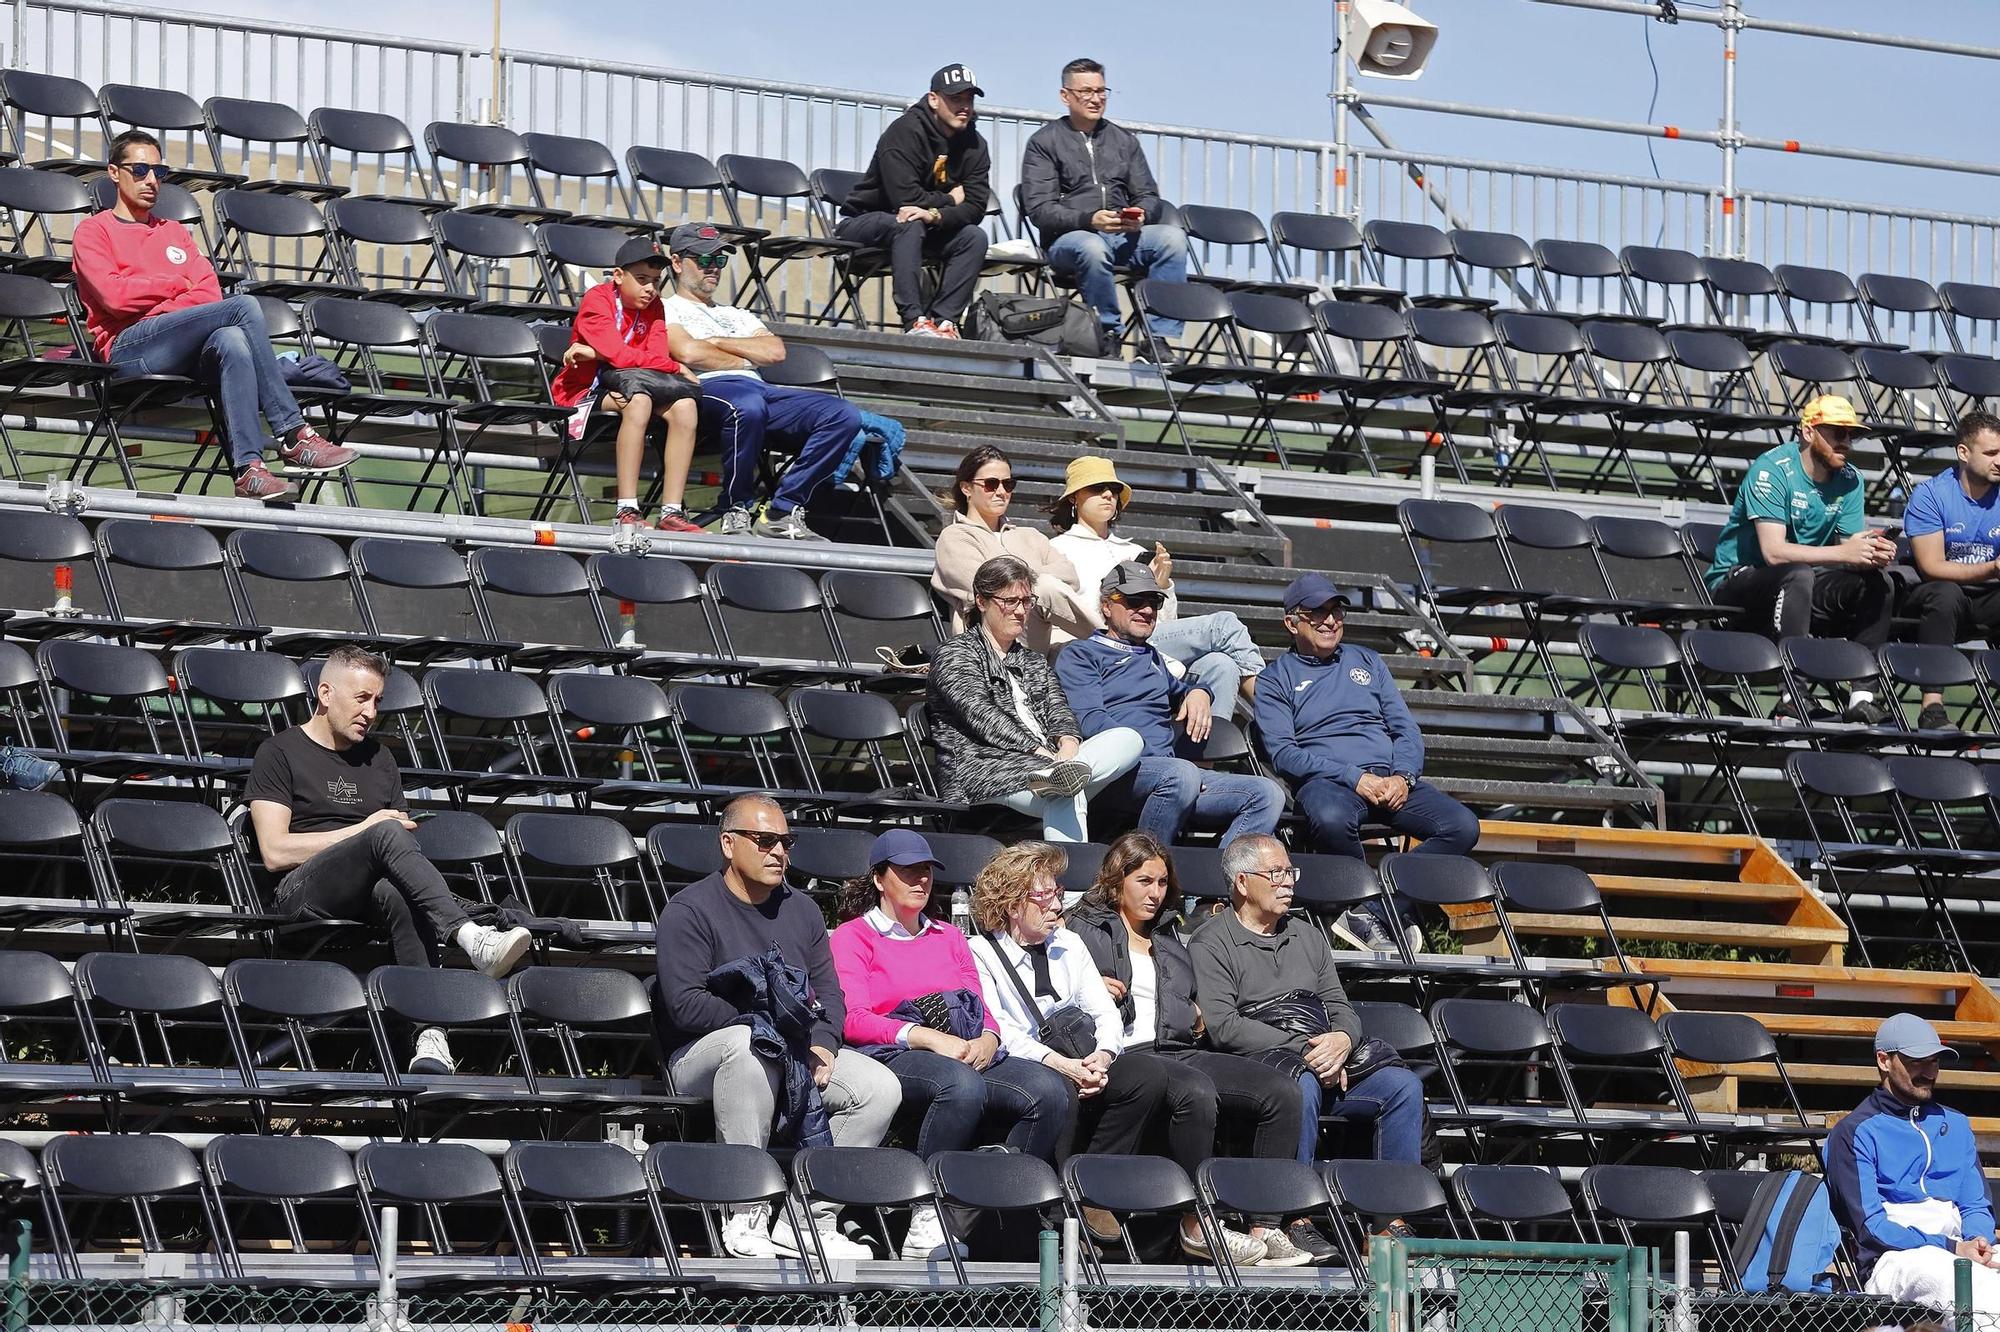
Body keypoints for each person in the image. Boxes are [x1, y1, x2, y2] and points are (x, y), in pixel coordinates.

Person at [967, 841, 1260, 1266]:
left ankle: (1094, 1184)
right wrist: (1062, 1065)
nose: (1056, 905)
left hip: (1083, 1055)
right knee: (1055, 1089)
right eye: (1044, 896)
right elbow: (1004, 1030)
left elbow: (1103, 1011)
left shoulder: (1068, 942)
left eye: (1057, 892)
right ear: (1013, 905)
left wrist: (1102, 1057)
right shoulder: (982, 953)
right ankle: (1054, 1207)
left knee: (1149, 1075)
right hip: (1032, 1062)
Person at [244, 646, 531, 1075]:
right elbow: (274, 852)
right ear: (325, 694)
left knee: (397, 891)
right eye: (361, 698)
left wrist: (377, 833)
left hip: (370, 890)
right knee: (383, 832)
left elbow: (397, 845)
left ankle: (429, 1035)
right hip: (300, 894)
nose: (371, 711)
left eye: (377, 700)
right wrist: (367, 830)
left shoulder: (380, 760)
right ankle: (471, 938)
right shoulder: (279, 751)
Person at [1070, 833, 1339, 1267]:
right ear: (1117, 881)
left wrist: (1193, 1015)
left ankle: (1266, 1225)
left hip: (1178, 1048)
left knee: (1282, 1089)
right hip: (1127, 1051)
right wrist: (1085, 987)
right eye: (1144, 881)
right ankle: (1198, 1222)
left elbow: (1193, 1001)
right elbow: (1051, 977)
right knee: (1195, 1090)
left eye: (1161, 882)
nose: (1155, 893)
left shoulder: (1169, 935)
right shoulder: (1085, 930)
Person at [653, 795, 901, 1261]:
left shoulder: (803, 910)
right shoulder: (689, 910)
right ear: (729, 844)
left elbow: (831, 997)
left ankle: (809, 1217)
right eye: (764, 841)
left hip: (793, 1050)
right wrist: (770, 1035)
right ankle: (744, 1208)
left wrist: (825, 1045)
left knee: (878, 1086)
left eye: (785, 842)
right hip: (701, 1056)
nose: (778, 852)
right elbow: (686, 1006)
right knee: (749, 1046)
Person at [73, 129, 355, 503]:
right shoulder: (94, 231)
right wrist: (175, 284)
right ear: (114, 172)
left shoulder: (174, 232)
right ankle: (294, 434)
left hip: (182, 350)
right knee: (243, 307)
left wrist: (156, 297)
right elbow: (115, 298)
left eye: (160, 171)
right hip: (129, 351)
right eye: (140, 169)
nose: (152, 180)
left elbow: (207, 293)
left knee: (232, 339)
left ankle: (249, 469)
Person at [829, 829, 1072, 1261]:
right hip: (895, 1051)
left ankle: (973, 1207)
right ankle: (926, 1212)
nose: (920, 880)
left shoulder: (948, 935)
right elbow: (854, 1019)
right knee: (961, 1086)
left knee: (1050, 1091)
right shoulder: (853, 936)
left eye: (925, 871)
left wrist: (988, 1036)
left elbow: (980, 1003)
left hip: (962, 1046)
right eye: (907, 871)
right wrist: (924, 1037)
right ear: (881, 879)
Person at [1254, 573, 1479, 953]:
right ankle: (1365, 906)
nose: (1330, 621)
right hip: (1328, 782)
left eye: (1337, 612)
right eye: (1317, 614)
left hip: (1389, 780)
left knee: (1462, 826)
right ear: (1292, 623)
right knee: (1328, 817)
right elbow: (1283, 753)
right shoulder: (1275, 679)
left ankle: (1378, 905)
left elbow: (1405, 730)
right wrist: (1354, 778)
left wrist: (1403, 777)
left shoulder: (1367, 661)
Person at [1189, 835, 1426, 1175]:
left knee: (1402, 1086)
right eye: (1275, 873)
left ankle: (1391, 1216)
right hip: (1260, 1067)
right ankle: (1293, 1208)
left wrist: (1343, 1040)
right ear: (1242, 882)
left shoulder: (1308, 935)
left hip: (1328, 1061)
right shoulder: (1211, 942)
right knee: (1301, 1085)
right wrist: (1309, 1052)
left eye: (1290, 872)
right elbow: (1224, 1026)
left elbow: (1338, 1003)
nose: (1287, 883)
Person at [1056, 561, 1284, 847]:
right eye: (1134, 600)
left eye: (1154, 601)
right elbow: (1091, 721)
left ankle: (1216, 882)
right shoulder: (1081, 654)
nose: (1148, 610)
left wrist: (1200, 692)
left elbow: (1182, 689)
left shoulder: (1151, 657)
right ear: (1106, 606)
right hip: (1115, 776)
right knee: (1181, 774)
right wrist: (1166, 763)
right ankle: (1146, 874)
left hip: (1170, 775)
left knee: (1267, 794)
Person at [659, 222, 862, 541]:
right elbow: (687, 351)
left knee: (843, 414)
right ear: (676, 262)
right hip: (706, 389)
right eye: (704, 260)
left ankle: (783, 509)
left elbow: (775, 351)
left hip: (758, 388)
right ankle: (735, 507)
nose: (713, 268)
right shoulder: (665, 308)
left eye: (720, 260)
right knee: (747, 406)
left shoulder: (737, 314)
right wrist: (745, 355)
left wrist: (713, 340)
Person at [1704, 393, 1898, 722]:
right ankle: (1792, 694)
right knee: (1798, 574)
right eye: (1838, 432)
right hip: (1740, 583)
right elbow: (1773, 552)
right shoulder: (1771, 471)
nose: (1846, 442)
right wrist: (1844, 552)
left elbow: (1846, 549)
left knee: (1879, 582)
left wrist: (1869, 552)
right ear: (1809, 432)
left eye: (1852, 435)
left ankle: (1863, 696)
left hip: (1803, 582)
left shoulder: (1850, 480)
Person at [928, 555, 1141, 843]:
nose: (1020, 611)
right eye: (1010, 601)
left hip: (1048, 766)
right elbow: (980, 716)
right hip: (984, 768)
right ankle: (1071, 889)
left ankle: (1064, 775)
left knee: (1127, 738)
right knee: (1065, 791)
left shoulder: (1033, 661)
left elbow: (1059, 712)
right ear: (981, 601)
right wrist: (1042, 755)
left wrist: (1068, 743)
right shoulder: (956, 654)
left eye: (1026, 601)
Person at [1048, 455, 1267, 716]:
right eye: (1097, 488)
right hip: (1100, 645)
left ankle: (1205, 756)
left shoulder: (1135, 550)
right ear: (1074, 497)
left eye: (1114, 489)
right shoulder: (1058, 550)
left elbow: (1161, 622)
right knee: (1224, 625)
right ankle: (1274, 712)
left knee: (1221, 665)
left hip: (1146, 642)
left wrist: (1160, 586)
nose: (1108, 494)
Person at [1824, 1013, 2000, 1311]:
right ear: (1884, 1061)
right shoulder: (1854, 1132)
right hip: (1895, 1258)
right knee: (1971, 1286)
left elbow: (1975, 1205)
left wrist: (1978, 1241)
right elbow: (1871, 1227)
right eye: (1917, 1061)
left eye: (1934, 1061)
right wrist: (1952, 1248)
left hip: (1962, 1245)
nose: (1929, 1072)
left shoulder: (1955, 1124)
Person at [1020, 58, 1188, 359]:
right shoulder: (1044, 142)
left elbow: (1149, 195)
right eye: (1086, 91)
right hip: (1069, 241)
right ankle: (1107, 332)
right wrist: (1089, 219)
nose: (1096, 98)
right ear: (1065, 96)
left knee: (1172, 239)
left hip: (1122, 234)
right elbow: (1040, 209)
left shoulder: (1124, 141)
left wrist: (1139, 216)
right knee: (1093, 247)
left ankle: (1157, 336)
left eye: (1101, 91)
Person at [549, 236, 704, 534]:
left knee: (685, 406)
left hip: (633, 384)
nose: (650, 288)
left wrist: (596, 352)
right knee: (639, 400)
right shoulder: (598, 298)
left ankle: (672, 512)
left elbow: (653, 356)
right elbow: (625, 356)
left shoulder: (655, 306)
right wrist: (676, 366)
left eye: (657, 281)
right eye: (642, 279)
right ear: (618, 276)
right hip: (581, 395)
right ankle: (627, 509)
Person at [836, 64, 991, 338]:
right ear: (933, 99)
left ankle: (945, 322)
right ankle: (914, 322)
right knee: (908, 222)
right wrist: (949, 199)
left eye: (969, 99)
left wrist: (936, 215)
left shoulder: (976, 145)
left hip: (925, 227)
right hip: (865, 222)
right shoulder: (904, 132)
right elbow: (905, 200)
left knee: (974, 237)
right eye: (956, 98)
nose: (964, 106)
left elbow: (976, 206)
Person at [931, 444, 1095, 653]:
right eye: (991, 484)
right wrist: (1037, 577)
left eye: (1008, 484)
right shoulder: (955, 537)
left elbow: (1070, 576)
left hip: (1040, 634)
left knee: (1080, 655)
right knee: (1044, 586)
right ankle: (1111, 642)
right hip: (988, 641)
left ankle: (1113, 651)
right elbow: (990, 587)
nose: (1001, 492)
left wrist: (1022, 576)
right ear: (966, 488)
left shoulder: (1030, 535)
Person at [1900, 411, 2000, 731]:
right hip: (1935, 596)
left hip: (1985, 596)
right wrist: (1993, 568)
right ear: (1963, 453)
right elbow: (1931, 568)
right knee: (1945, 593)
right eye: (1991, 453)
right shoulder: (1931, 495)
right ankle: (1932, 707)